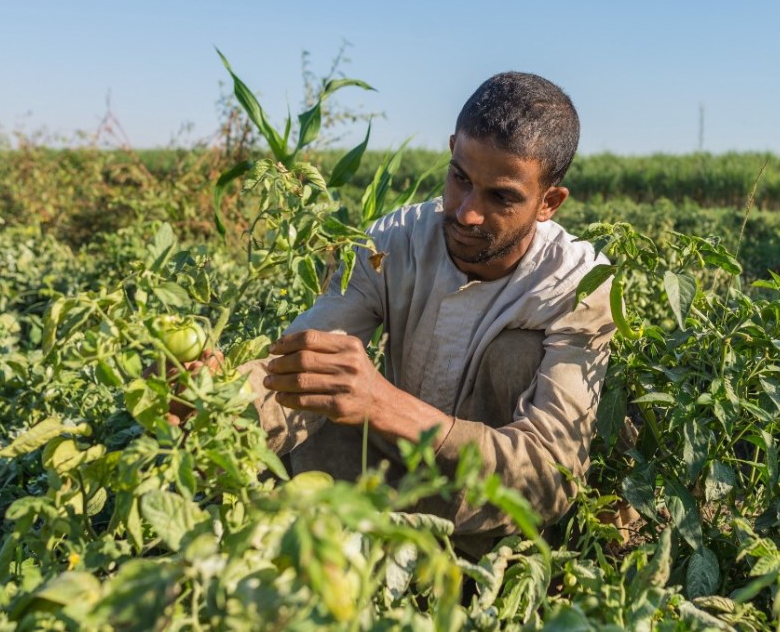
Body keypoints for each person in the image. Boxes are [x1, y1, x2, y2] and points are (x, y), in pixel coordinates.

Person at [241, 72, 615, 555]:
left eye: (501, 197)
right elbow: (298, 367)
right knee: (317, 390)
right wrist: (216, 402)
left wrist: (383, 404)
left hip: (491, 507)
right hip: (382, 470)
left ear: (550, 202)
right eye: (460, 179)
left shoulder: (576, 285)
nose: (466, 213)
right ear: (452, 149)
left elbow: (549, 476)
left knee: (516, 355)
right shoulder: (391, 244)